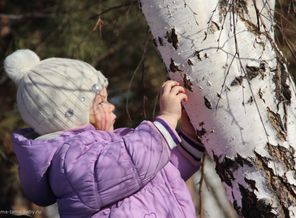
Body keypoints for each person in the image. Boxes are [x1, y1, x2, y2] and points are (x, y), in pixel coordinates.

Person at [4, 49, 205, 218]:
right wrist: (167, 119)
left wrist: (188, 139)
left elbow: (158, 173)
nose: (111, 107)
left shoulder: (107, 148)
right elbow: (131, 162)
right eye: (100, 102)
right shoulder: (69, 162)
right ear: (71, 116)